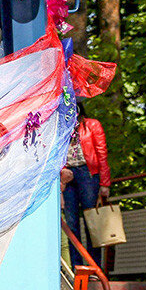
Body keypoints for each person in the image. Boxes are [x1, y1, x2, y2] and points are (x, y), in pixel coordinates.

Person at [62, 104, 111, 267]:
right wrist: (62, 171)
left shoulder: (92, 125)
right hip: (69, 175)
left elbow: (101, 154)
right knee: (71, 222)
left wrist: (104, 183)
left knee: (92, 221)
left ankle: (94, 266)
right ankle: (77, 267)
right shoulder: (60, 128)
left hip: (88, 174)